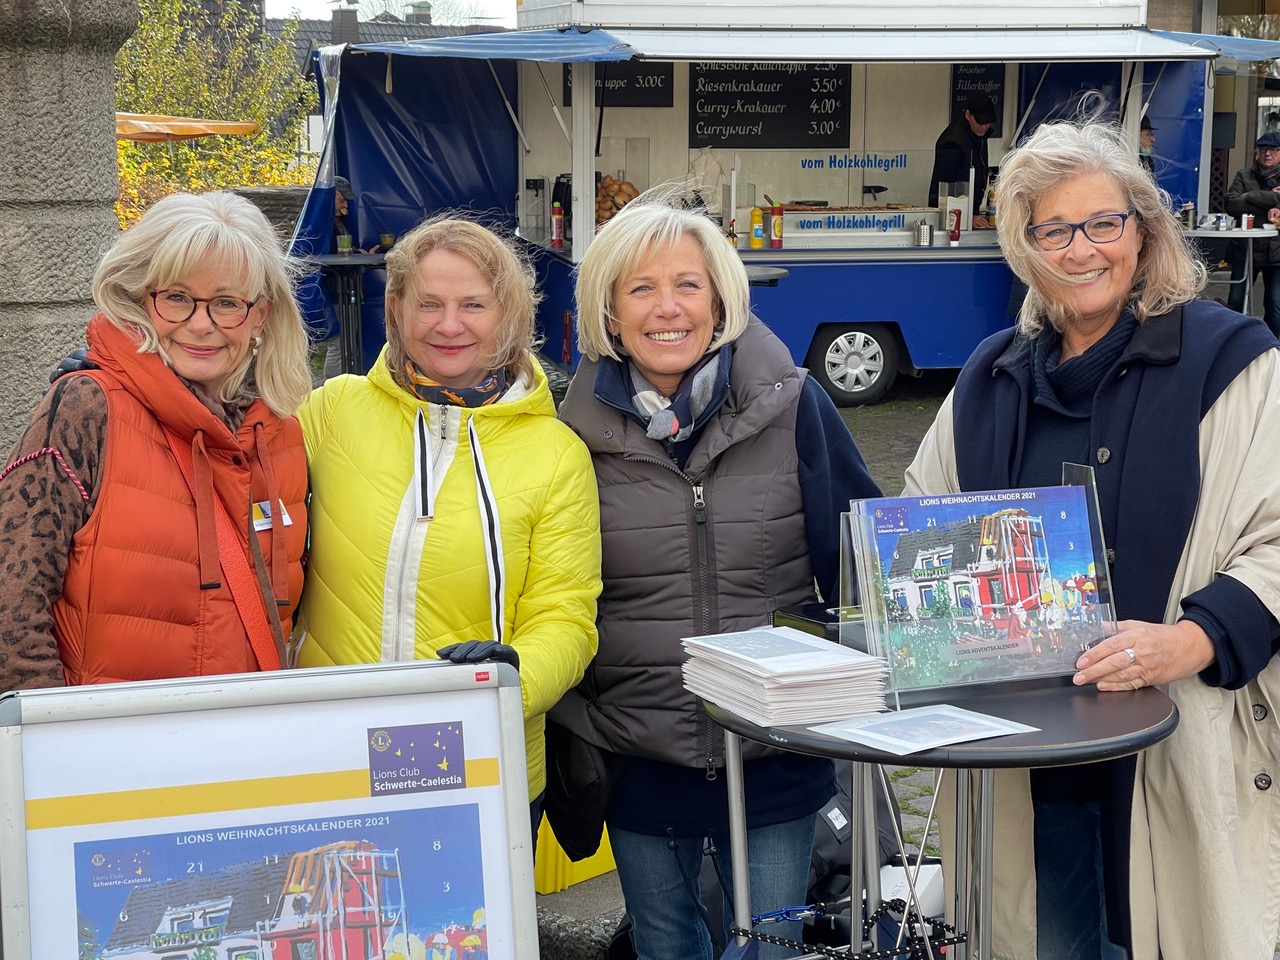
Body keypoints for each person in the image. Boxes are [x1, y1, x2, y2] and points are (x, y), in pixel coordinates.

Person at [904, 119, 1280, 960]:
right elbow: (920, 521)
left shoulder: (1234, 363)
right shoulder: (988, 381)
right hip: (1025, 764)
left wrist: (1193, 638)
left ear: (1143, 232)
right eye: (1053, 229)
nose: (1082, 249)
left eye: (1103, 224)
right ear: (1024, 247)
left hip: (1182, 746)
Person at [552, 190, 882, 960]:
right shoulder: (567, 436)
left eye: (687, 285)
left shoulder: (798, 408)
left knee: (772, 946)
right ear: (609, 310)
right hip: (637, 754)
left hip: (774, 753)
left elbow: (864, 561)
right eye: (640, 288)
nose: (667, 308)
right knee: (666, 946)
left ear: (721, 299)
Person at [294, 216, 602, 831]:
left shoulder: (556, 452)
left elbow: (566, 617)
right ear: (397, 307)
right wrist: (133, 384)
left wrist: (511, 676)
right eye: (428, 303)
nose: (449, 324)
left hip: (481, 755)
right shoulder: (332, 410)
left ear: (509, 315)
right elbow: (229, 465)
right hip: (329, 747)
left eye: (473, 304)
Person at [0, 191, 313, 692]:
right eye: (176, 297)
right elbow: (12, 602)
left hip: (248, 751)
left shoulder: (283, 435)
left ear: (260, 317)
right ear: (138, 298)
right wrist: (47, 741)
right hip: (111, 752)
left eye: (228, 302)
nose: (200, 324)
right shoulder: (87, 407)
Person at [1225, 130, 1280, 337]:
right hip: (1244, 249)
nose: (1267, 154)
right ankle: (1232, 343)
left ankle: (1273, 348)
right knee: (1236, 302)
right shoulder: (1244, 174)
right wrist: (1271, 199)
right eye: (1263, 149)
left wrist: (1251, 196)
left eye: (1274, 149)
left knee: (1275, 306)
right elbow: (1231, 204)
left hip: (1276, 252)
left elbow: (1242, 202)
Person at [928, 91, 997, 227]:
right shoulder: (953, 142)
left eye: (987, 123)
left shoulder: (978, 136)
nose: (984, 127)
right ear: (968, 115)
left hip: (969, 213)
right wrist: (967, 216)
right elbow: (946, 190)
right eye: (980, 122)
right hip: (953, 217)